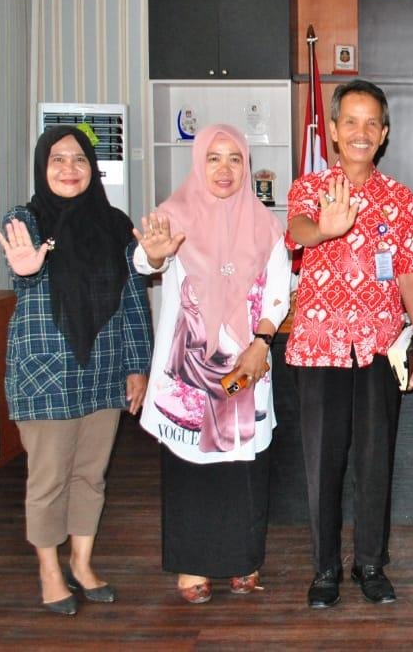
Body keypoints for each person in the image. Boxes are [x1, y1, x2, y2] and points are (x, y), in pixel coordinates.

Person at [285, 81, 413, 609]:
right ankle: (325, 569)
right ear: (332, 129)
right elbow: (299, 231)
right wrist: (326, 228)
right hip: (320, 349)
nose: (360, 133)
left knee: (376, 461)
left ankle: (371, 563)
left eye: (372, 123)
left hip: (379, 349)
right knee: (322, 464)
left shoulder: (399, 197)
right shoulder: (309, 187)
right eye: (351, 121)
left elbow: (411, 276)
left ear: (385, 133)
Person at [0, 126, 151, 616]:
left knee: (90, 475)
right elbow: (23, 275)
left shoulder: (113, 222)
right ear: (43, 166)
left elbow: (132, 299)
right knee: (49, 479)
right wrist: (26, 269)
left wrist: (138, 365)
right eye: (58, 159)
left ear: (93, 167)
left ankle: (82, 564)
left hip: (104, 367)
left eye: (79, 159)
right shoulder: (26, 219)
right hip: (47, 370)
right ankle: (48, 568)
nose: (69, 168)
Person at [134, 124, 289, 605]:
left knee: (243, 465)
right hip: (190, 369)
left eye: (235, 159)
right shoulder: (173, 216)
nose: (224, 169)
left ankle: (244, 560)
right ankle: (193, 564)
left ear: (246, 165)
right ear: (199, 164)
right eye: (214, 159)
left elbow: (279, 292)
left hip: (247, 363)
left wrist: (262, 343)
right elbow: (145, 260)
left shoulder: (265, 222)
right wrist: (152, 255)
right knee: (191, 465)